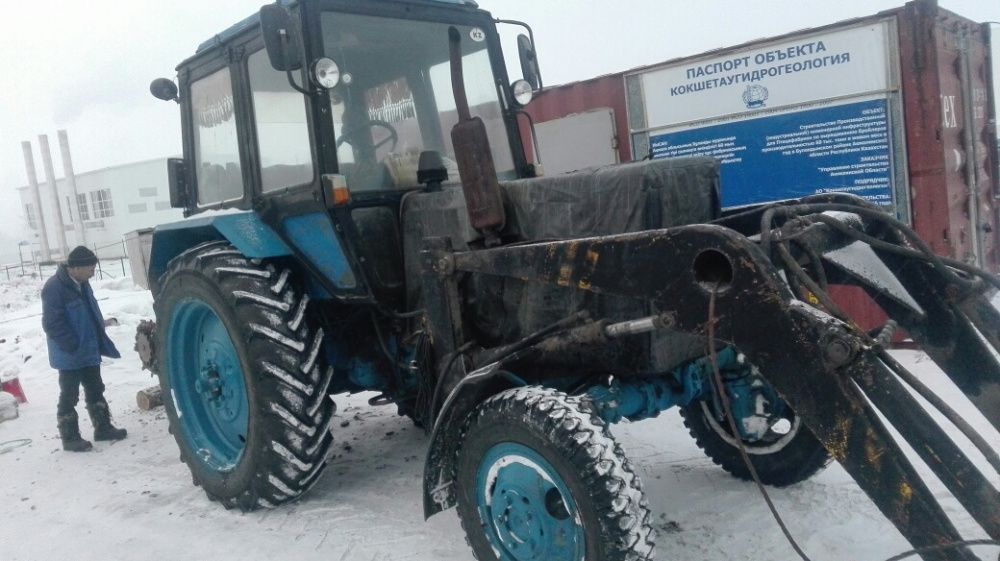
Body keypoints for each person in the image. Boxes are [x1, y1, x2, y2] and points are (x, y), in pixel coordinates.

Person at [41, 246, 126, 452]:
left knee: (96, 388)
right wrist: (72, 345)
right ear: (76, 267)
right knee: (69, 394)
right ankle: (70, 438)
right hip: (69, 353)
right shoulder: (54, 287)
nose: (93, 272)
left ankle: (103, 428)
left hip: (88, 349)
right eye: (90, 267)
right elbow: (51, 323)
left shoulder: (84, 284)